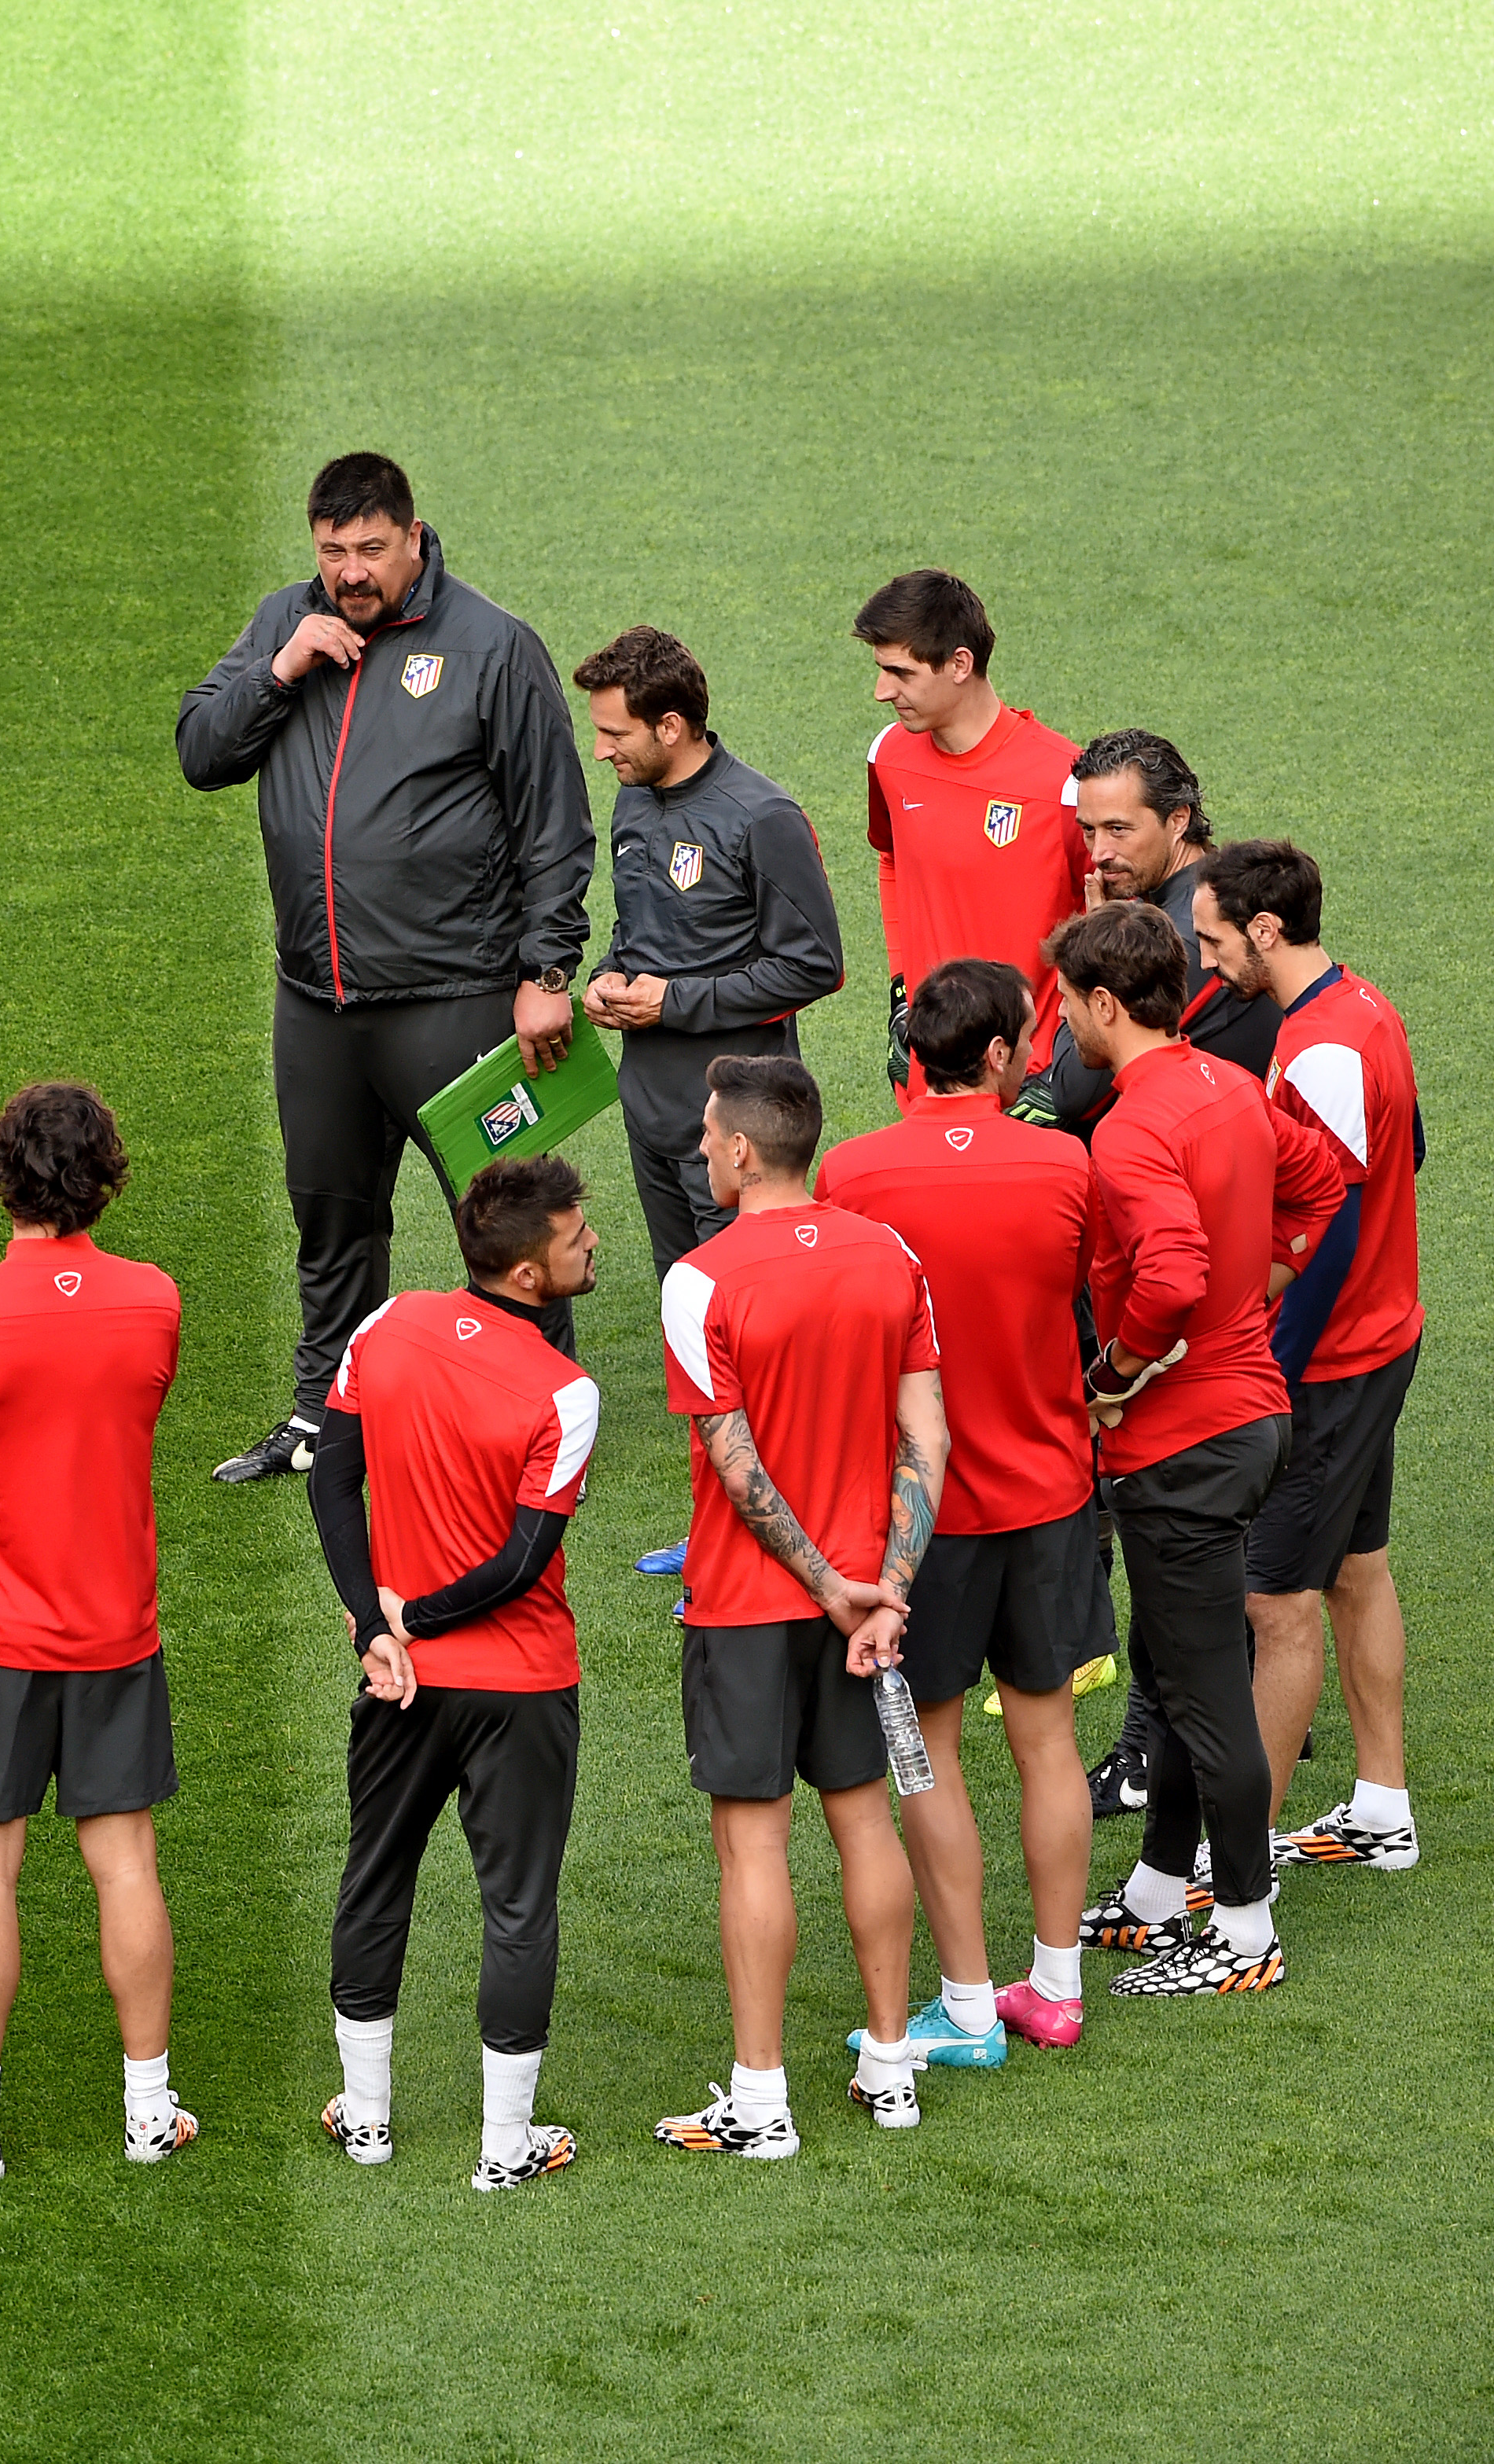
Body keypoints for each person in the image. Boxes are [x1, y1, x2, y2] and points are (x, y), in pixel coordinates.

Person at [177, 453, 593, 1484]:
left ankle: (537, 1408)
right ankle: (326, 1416)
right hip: (316, 1001)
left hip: (454, 999)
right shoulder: (286, 622)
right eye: (332, 552)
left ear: (414, 535)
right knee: (331, 1218)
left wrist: (547, 971)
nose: (350, 572)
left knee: (507, 1215)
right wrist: (281, 670)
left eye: (369, 550)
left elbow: (555, 821)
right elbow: (199, 751)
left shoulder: (491, 645)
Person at [0, 1083, 193, 2178]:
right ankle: (149, 2109)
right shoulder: (152, 1298)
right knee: (125, 1865)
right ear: (105, 1174)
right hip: (116, 1626)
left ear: (0, 1177)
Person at [650, 1054, 948, 2156]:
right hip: (872, 1601)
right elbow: (928, 1436)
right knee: (863, 1817)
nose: (697, 1149)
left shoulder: (699, 1280)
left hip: (746, 1604)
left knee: (753, 1846)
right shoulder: (892, 1255)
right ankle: (888, 2067)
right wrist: (886, 1590)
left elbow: (733, 1463)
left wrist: (826, 1583)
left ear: (738, 1149)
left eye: (705, 1134)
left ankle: (761, 2099)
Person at [1049, 902, 1343, 1999]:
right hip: (1248, 1415)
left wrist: (1116, 1372)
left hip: (1186, 1441)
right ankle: (1159, 1890)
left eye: (1070, 1005)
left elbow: (1167, 1277)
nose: (1064, 1026)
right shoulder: (1233, 1084)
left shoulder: (1128, 1128)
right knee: (1174, 1663)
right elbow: (1318, 1184)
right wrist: (1262, 1286)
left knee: (1206, 1686)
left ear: (1108, 1004)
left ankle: (1245, 1929)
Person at [815, 961, 1106, 2052]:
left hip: (915, 1515)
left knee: (926, 1749)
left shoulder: (851, 1173)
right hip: (1049, 1494)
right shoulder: (1064, 1163)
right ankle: (1057, 1986)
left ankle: (971, 2005)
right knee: (1046, 1739)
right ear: (996, 1054)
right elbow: (1105, 1300)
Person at [305, 1154, 598, 2188]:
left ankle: (371, 2120)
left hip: (400, 1683)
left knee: (373, 1877)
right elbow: (521, 1562)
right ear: (527, 1273)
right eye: (575, 1235)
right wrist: (415, 1613)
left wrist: (376, 1628)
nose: (592, 1242)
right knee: (517, 1906)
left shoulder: (383, 1328)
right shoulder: (566, 1392)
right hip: (519, 1687)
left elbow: (331, 1476)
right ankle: (502, 2148)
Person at [1192, 841, 1424, 1867]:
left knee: (1273, 1599)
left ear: (1265, 931)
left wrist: (1271, 1358)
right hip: (1380, 1341)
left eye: (1212, 940)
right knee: (1356, 1569)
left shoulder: (1321, 1046)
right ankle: (1380, 1806)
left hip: (1329, 1362)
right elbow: (1406, 1146)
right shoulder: (1361, 1005)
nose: (1207, 965)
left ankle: (1233, 1865)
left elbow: (1327, 1229)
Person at [571, 627, 843, 1289]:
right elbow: (641, 920)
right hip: (651, 1109)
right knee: (684, 1296)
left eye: (615, 734)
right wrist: (607, 974)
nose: (601, 751)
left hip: (738, 1121)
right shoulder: (634, 800)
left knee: (749, 1301)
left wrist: (673, 1001)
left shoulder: (760, 817)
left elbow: (814, 965)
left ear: (669, 726)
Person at [853, 569, 1084, 1111]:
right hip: (930, 1070)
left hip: (1034, 1081)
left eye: (898, 674)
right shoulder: (888, 755)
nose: (881, 692)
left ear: (959, 664)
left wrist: (1069, 1065)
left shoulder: (1063, 783)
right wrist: (901, 987)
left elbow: (1111, 920)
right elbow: (892, 861)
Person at [1014, 730, 1275, 1135]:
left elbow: (1072, 1093)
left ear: (1178, 820)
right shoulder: (1209, 889)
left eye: (1118, 830)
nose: (1098, 853)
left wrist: (1092, 952)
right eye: (1089, 830)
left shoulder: (1189, 938)